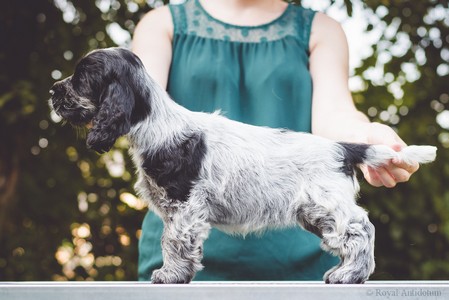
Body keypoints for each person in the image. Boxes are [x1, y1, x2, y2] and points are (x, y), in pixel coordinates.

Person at [132, 0, 419, 281]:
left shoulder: (321, 29)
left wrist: (365, 138)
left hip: (302, 267)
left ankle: (354, 253)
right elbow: (145, 112)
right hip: (178, 270)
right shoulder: (160, 24)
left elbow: (334, 114)